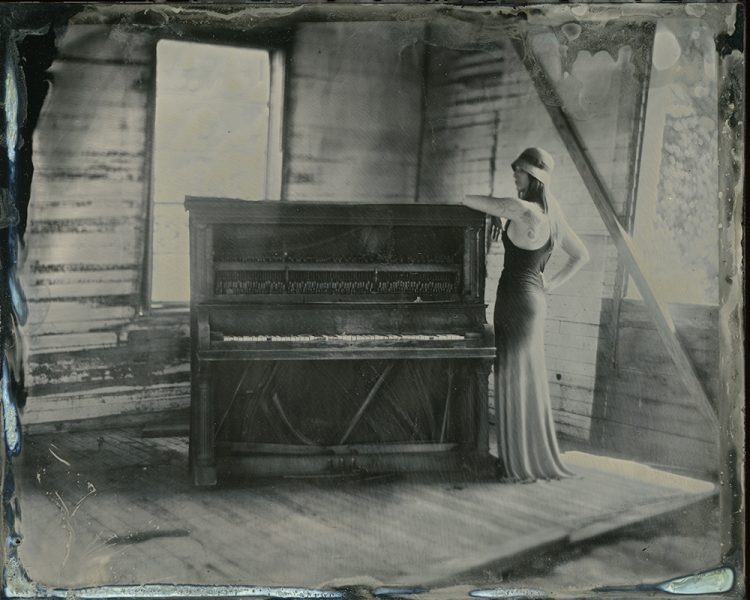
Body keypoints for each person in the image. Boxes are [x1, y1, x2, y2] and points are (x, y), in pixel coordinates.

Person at [463, 147, 589, 482]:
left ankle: (516, 463)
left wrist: (494, 214)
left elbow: (468, 199)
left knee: (510, 378)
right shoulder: (552, 215)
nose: (514, 176)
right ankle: (527, 458)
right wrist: (551, 284)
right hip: (534, 300)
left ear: (533, 177)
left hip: (515, 301)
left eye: (518, 171)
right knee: (526, 377)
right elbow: (582, 255)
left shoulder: (521, 209)